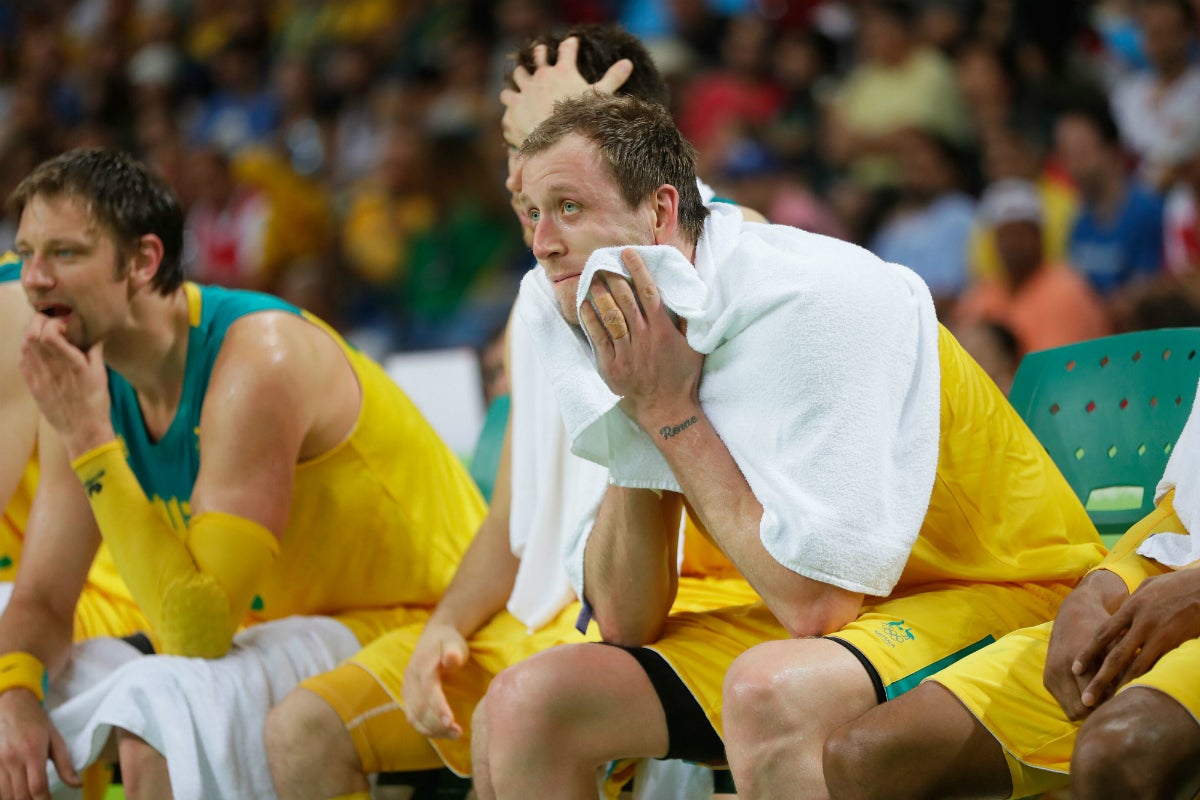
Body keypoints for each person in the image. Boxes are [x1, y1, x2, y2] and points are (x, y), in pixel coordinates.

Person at [469, 93, 1103, 799]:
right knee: (526, 705)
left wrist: (670, 411)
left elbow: (818, 604)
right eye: (533, 214)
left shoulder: (814, 298)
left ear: (660, 212)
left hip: (1002, 590)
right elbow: (623, 618)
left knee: (769, 692)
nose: (542, 243)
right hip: (849, 612)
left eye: (569, 208)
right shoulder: (646, 329)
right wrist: (641, 406)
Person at [263, 25, 760, 800]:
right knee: (302, 728)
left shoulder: (730, 247)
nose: (510, 171)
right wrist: (445, 624)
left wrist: (589, 130)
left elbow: (711, 221)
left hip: (673, 605)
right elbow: (513, 516)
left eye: (533, 137)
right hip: (539, 611)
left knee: (513, 731)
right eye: (513, 143)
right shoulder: (537, 297)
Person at [0, 147, 484, 799]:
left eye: (64, 253)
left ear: (142, 261)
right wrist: (15, 695)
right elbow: (42, 599)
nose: (33, 280)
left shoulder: (257, 359)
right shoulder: (85, 375)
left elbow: (197, 635)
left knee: (159, 715)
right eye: (25, 253)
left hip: (418, 622)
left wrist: (90, 440)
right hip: (265, 627)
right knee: (25, 705)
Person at [823, 376, 1200, 800]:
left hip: (1026, 581)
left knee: (1119, 755)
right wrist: (1097, 588)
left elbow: (812, 607)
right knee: (861, 758)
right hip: (1162, 580)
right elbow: (1185, 510)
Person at [954, 178, 1112, 355]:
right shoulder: (981, 294)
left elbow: (1058, 366)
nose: (1012, 243)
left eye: (1020, 233)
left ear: (1038, 236)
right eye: (1005, 234)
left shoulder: (1067, 288)